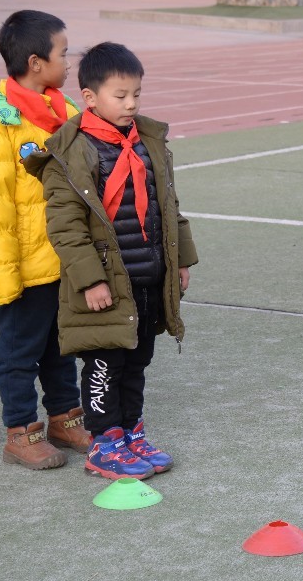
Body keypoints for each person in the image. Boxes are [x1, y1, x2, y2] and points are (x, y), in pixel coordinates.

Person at [25, 42, 197, 481]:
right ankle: (104, 442)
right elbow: (66, 227)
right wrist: (91, 281)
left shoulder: (148, 143)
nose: (131, 104)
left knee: (137, 362)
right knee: (105, 366)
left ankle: (132, 433)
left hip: (147, 278)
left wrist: (180, 261)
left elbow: (169, 206)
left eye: (136, 93)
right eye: (120, 96)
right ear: (89, 97)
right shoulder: (72, 154)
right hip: (105, 285)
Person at [0, 11, 91, 469]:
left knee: (61, 346)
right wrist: (6, 279)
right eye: (63, 53)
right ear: (36, 62)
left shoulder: (65, 111)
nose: (69, 61)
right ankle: (21, 431)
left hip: (63, 259)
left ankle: (64, 418)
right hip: (24, 268)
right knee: (19, 354)